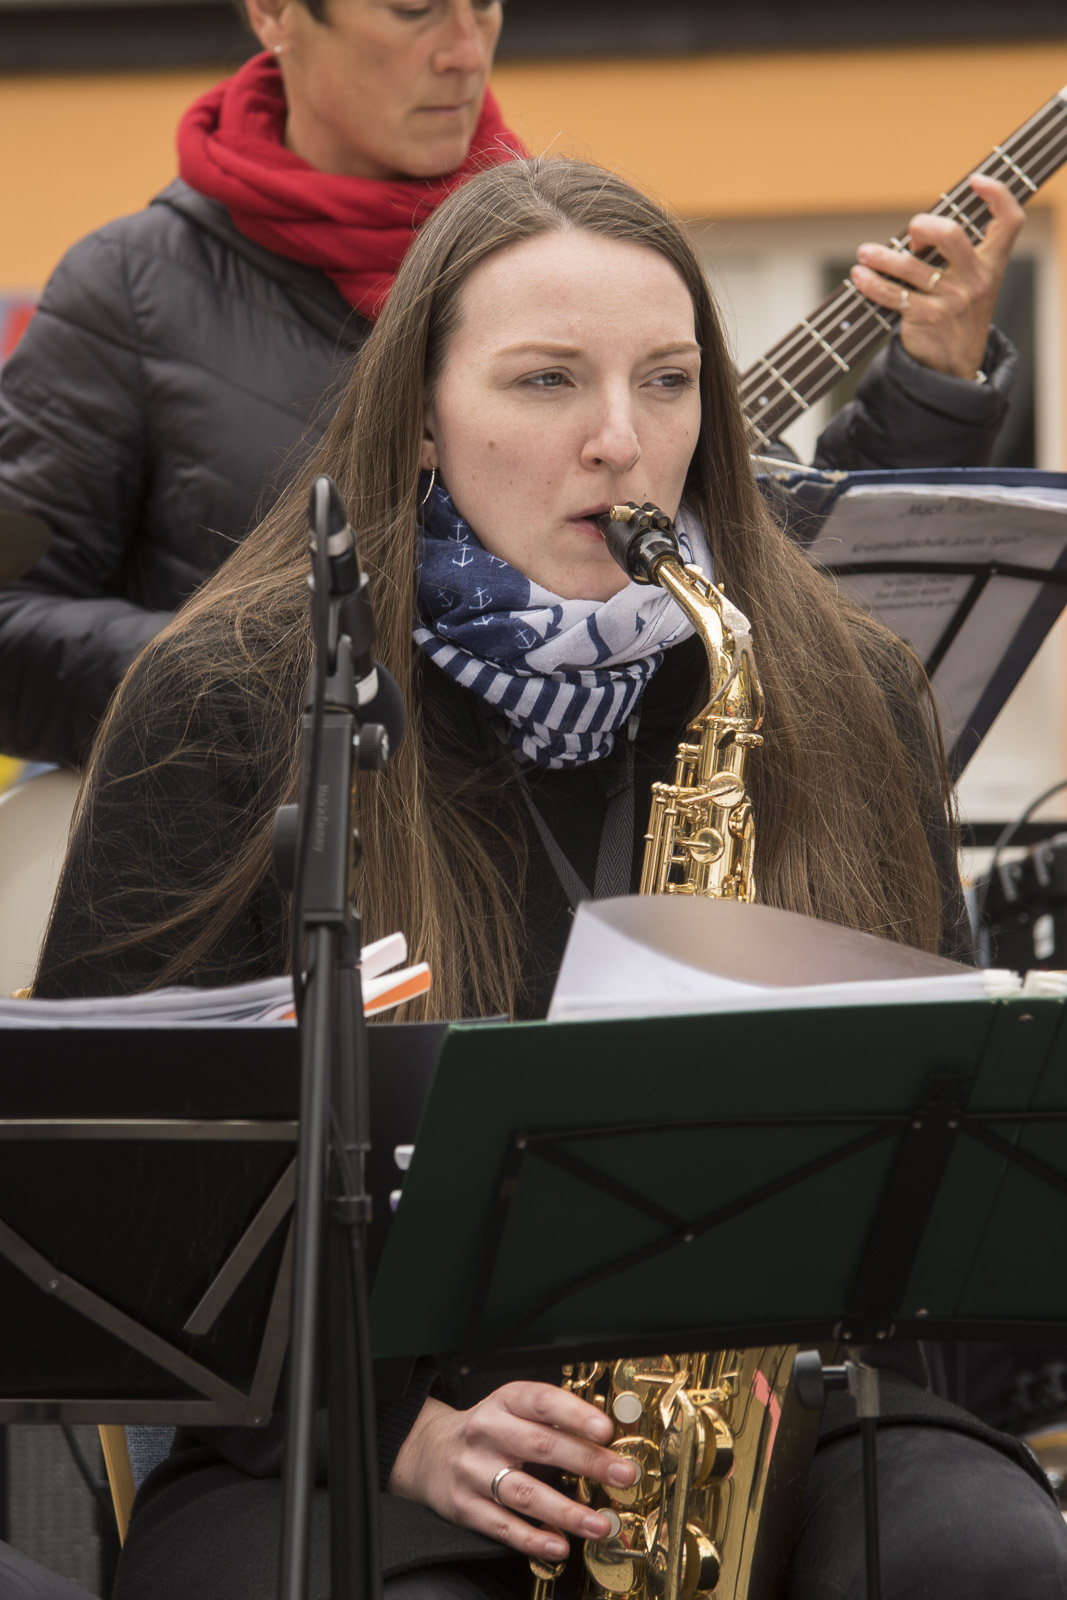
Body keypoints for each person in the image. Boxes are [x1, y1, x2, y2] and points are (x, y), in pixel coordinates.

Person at [34, 155, 1067, 1600]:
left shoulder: (847, 683)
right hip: (345, 1429)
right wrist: (395, 1433)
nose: (619, 442)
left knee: (979, 1552)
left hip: (764, 1401)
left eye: (666, 382)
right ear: (418, 418)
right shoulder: (232, 693)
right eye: (543, 382)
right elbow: (98, 1204)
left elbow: (938, 1158)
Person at [0, 0, 1025, 770]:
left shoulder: (569, 256)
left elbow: (783, 565)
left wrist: (931, 383)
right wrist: (288, 680)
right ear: (273, 13)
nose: (463, 48)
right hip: (253, 876)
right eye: (413, 9)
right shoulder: (130, 291)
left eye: (484, 3)